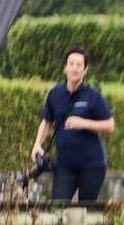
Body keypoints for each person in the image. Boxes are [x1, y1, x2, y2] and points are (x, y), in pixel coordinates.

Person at [30, 47, 114, 203]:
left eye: (79, 65)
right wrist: (37, 144)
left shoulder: (93, 95)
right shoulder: (55, 94)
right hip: (65, 164)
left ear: (85, 69)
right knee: (57, 207)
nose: (74, 68)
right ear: (65, 67)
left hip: (91, 164)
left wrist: (85, 123)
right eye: (71, 64)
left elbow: (110, 125)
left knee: (86, 210)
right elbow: (47, 121)